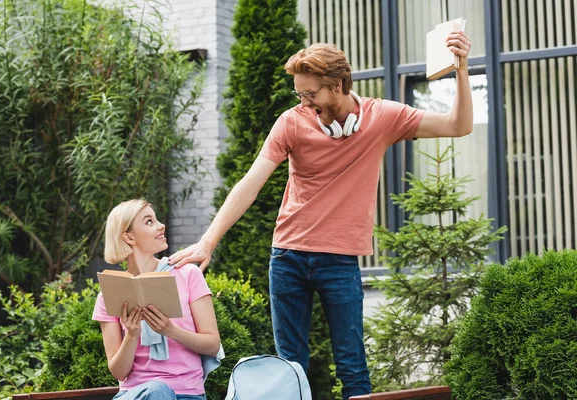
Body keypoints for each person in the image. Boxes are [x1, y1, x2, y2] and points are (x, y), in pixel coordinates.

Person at [169, 31, 473, 399]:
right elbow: (251, 182)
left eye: (311, 94)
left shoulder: (383, 118)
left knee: (352, 364)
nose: (305, 102)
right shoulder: (291, 122)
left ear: (341, 85)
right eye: (300, 94)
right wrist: (208, 241)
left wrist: (460, 69)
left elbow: (459, 125)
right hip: (287, 257)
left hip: (339, 261)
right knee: (289, 366)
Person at [93, 199, 221, 400]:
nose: (161, 225)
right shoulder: (109, 294)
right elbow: (119, 372)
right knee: (156, 391)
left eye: (157, 219)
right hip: (135, 394)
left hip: (188, 395)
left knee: (159, 392)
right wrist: (132, 335)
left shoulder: (188, 275)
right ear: (129, 237)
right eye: (149, 222)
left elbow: (213, 344)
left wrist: (170, 331)